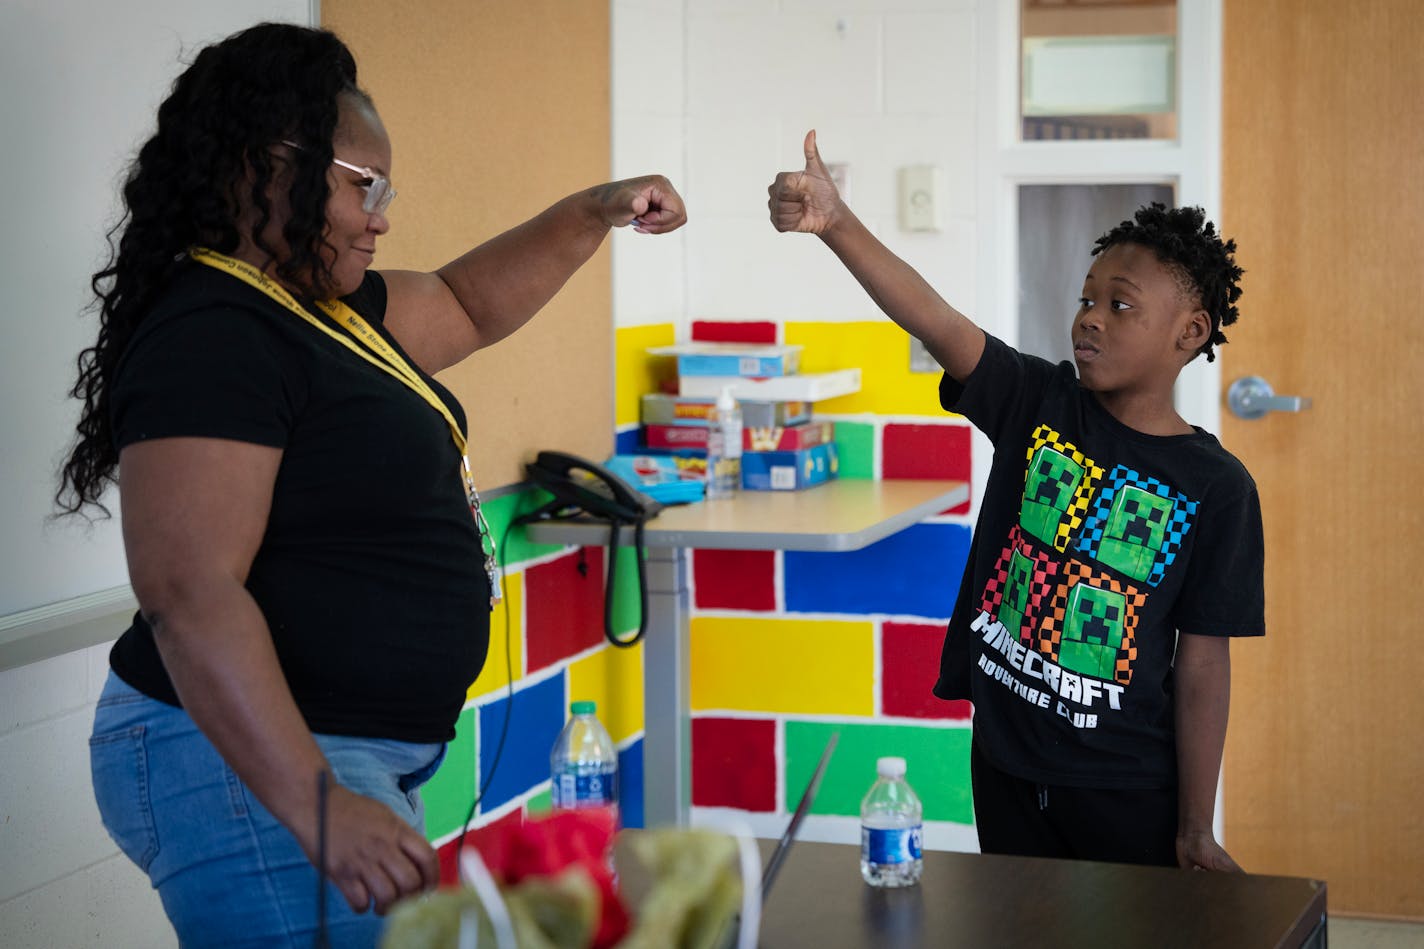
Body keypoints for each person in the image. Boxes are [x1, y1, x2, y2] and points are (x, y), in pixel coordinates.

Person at [58, 22, 686, 947]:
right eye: (366, 187)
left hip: (330, 760)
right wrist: (319, 805)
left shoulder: (322, 313)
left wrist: (594, 209)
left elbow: (469, 302)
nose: (383, 215)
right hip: (247, 764)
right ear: (269, 167)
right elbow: (190, 595)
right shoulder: (214, 330)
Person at [768, 131, 1263, 871]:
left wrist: (1194, 825)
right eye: (1087, 298)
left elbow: (1202, 664)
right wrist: (836, 222)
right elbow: (933, 319)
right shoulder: (1038, 400)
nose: (1090, 316)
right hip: (1003, 760)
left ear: (1189, 333)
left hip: (1123, 784)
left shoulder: (1219, 488)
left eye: (1120, 305)